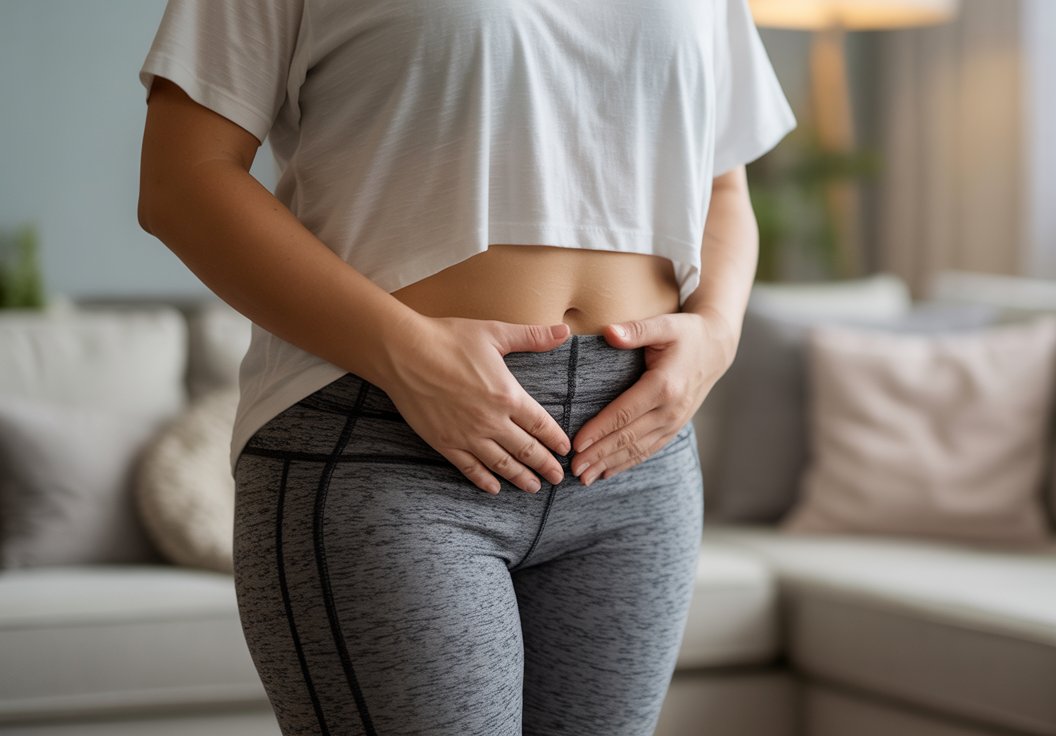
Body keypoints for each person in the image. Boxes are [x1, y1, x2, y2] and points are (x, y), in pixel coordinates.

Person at [136, 0, 796, 734]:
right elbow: (182, 180)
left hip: (636, 464)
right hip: (386, 446)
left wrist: (717, 334)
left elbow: (722, 184)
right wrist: (407, 355)